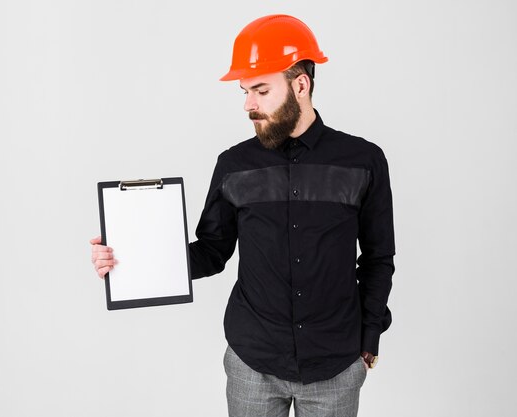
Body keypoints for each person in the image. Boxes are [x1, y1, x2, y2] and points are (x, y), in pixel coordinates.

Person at [90, 14, 395, 417]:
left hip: (336, 366)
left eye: (261, 90)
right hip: (252, 363)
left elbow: (377, 258)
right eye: (245, 91)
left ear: (300, 85)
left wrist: (368, 340)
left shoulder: (363, 161)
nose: (249, 104)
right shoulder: (234, 165)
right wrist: (128, 259)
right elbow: (212, 252)